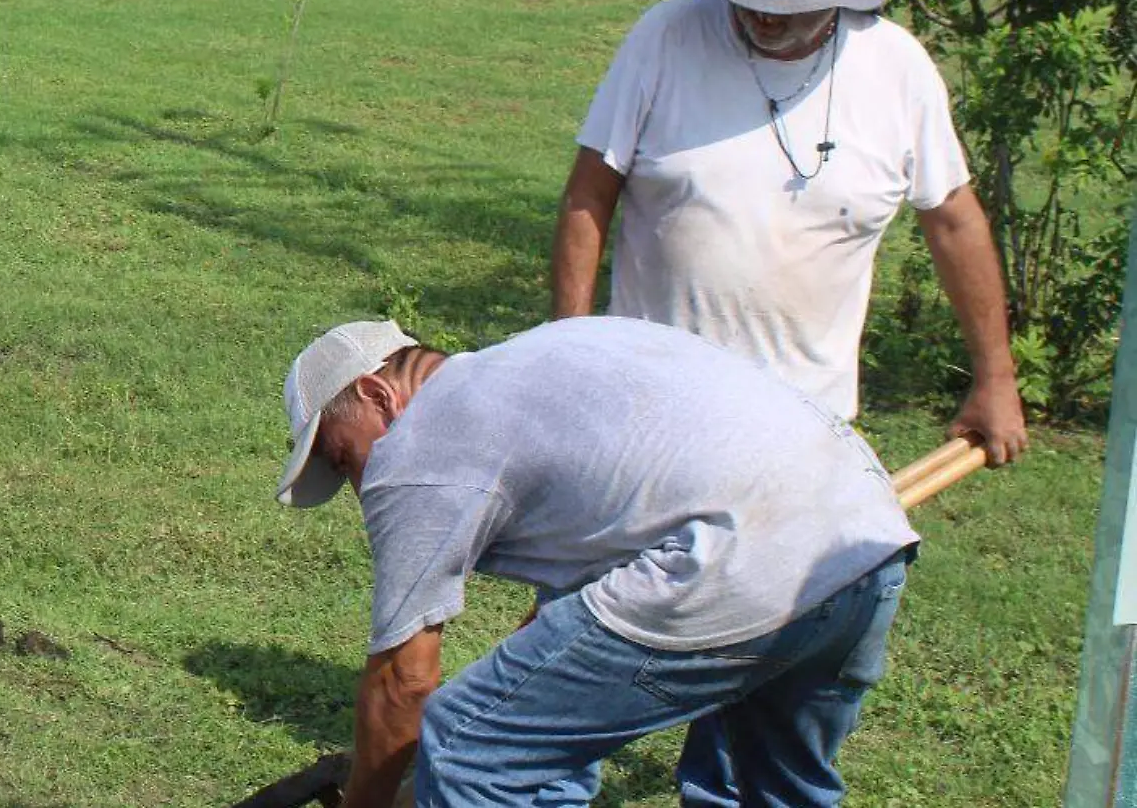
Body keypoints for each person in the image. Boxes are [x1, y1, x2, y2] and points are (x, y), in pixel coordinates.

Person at [278, 316, 920, 808]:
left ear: (377, 395)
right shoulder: (545, 362)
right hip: (866, 539)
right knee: (769, 793)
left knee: (469, 743)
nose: (362, 486)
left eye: (343, 457)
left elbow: (403, 683)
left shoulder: (419, 447)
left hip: (741, 563)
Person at [550, 0, 1025, 461]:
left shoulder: (898, 70)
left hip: (804, 427)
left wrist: (997, 378)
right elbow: (589, 194)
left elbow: (955, 222)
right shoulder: (665, 39)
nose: (766, 13)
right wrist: (565, 353)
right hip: (649, 410)